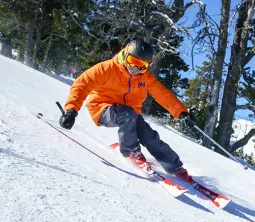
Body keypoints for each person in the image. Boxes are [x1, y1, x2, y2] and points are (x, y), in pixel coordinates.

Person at [59, 38, 195, 181]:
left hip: (130, 113)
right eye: (133, 61)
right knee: (127, 114)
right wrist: (71, 110)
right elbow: (81, 84)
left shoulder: (144, 77)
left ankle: (174, 166)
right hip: (102, 108)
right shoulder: (106, 68)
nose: (136, 67)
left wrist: (181, 112)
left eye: (142, 65)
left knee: (149, 135)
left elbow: (163, 94)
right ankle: (130, 151)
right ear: (126, 54)